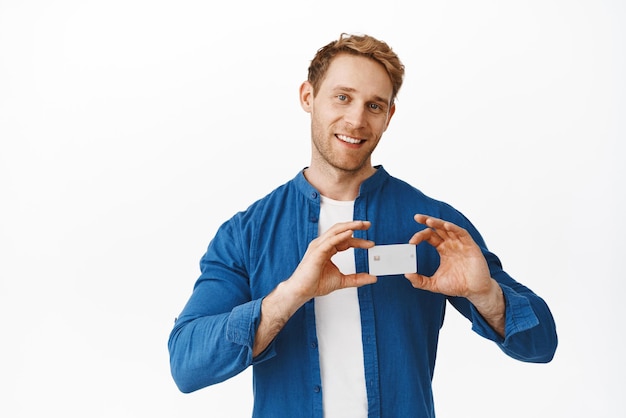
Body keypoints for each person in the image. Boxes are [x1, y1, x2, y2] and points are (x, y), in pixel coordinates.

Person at [168, 33, 558, 417]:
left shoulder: (433, 225)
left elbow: (541, 345)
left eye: (374, 105)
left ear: (388, 116)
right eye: (342, 97)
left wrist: (487, 295)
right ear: (308, 97)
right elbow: (187, 365)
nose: (356, 119)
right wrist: (289, 296)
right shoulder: (247, 233)